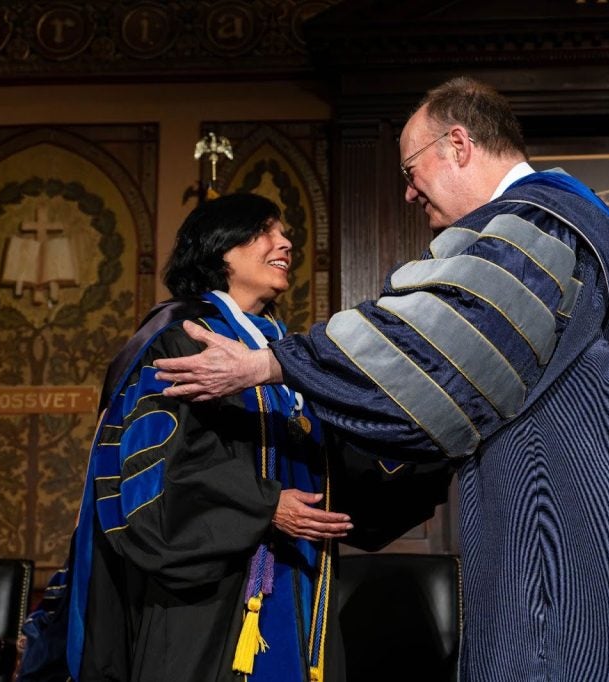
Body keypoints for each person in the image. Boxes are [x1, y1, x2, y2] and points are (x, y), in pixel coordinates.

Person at [154, 77, 609, 680]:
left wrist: (268, 364)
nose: (411, 191)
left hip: (605, 543)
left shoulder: (535, 223)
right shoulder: (567, 217)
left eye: (412, 168)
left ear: (459, 144)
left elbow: (431, 348)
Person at [21, 193, 359, 682]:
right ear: (221, 250)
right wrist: (265, 504)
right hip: (202, 602)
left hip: (292, 586)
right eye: (265, 230)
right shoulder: (179, 338)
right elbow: (154, 477)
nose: (285, 242)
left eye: (283, 232)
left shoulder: (279, 352)